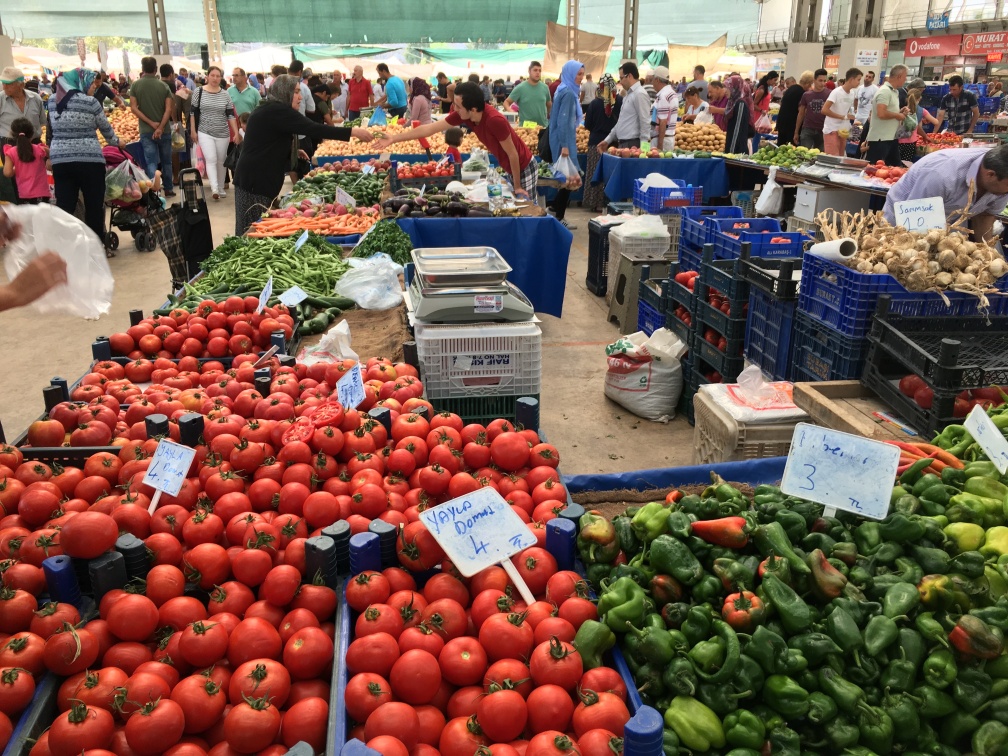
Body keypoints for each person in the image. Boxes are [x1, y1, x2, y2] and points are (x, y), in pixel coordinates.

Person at [234, 75, 372, 235]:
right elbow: (313, 128)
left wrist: (290, 150)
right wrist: (352, 132)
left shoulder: (269, 108)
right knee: (251, 231)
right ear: (284, 92)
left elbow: (267, 141)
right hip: (254, 183)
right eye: (297, 92)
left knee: (256, 227)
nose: (301, 97)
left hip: (255, 178)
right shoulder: (277, 111)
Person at [375, 82, 536, 198]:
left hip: (523, 166)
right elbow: (429, 128)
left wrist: (517, 186)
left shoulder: (495, 120)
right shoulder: (465, 115)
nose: (455, 109)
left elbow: (513, 154)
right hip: (510, 167)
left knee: (527, 207)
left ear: (472, 109)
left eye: (458, 106)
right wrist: (394, 138)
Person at [48, 68, 118, 249]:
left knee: (65, 204)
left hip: (61, 161)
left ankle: (65, 245)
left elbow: (51, 129)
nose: (94, 87)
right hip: (89, 161)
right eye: (92, 83)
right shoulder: (91, 103)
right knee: (93, 204)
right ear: (82, 82)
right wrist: (118, 143)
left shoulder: (52, 101)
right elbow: (107, 131)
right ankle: (95, 245)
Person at [884, 143, 1008, 241]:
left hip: (951, 225)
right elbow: (916, 226)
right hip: (907, 219)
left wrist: (987, 253)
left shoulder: (1001, 185)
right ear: (990, 175)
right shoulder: (942, 175)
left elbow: (985, 215)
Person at [130, 56, 176, 198]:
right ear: (156, 69)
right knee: (166, 161)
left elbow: (133, 108)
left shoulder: (135, 85)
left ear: (142, 69)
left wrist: (151, 124)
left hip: (146, 131)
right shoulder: (164, 86)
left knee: (151, 161)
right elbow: (169, 109)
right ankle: (168, 188)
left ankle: (154, 190)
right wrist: (161, 127)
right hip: (165, 131)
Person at [191, 65, 237, 200]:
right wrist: (193, 130)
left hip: (223, 133)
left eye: (218, 76)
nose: (215, 78)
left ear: (221, 78)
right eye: (213, 75)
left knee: (221, 160)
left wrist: (236, 132)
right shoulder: (198, 92)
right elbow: (193, 113)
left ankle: (221, 187)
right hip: (204, 131)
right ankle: (214, 188)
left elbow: (230, 115)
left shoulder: (225, 94)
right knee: (211, 159)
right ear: (207, 77)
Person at [548, 60, 585, 230]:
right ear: (570, 73)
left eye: (583, 74)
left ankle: (555, 209)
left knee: (566, 177)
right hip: (564, 139)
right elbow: (564, 121)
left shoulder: (562, 88)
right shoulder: (569, 93)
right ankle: (559, 215)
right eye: (578, 74)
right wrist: (565, 145)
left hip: (560, 137)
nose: (581, 77)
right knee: (570, 178)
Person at [583, 73, 621, 212]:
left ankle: (595, 203)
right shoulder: (619, 100)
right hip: (614, 143)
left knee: (595, 172)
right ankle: (610, 203)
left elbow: (587, 124)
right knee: (611, 174)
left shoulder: (594, 103)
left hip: (596, 143)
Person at [597, 62, 650, 152]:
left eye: (621, 78)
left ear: (629, 76)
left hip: (634, 145)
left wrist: (644, 150)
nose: (620, 82)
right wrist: (607, 140)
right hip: (624, 144)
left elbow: (645, 122)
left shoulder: (639, 94)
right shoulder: (628, 95)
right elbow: (621, 121)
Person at [865, 64, 910, 167]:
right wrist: (898, 116)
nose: (905, 79)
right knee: (873, 168)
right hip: (880, 139)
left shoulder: (894, 92)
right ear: (899, 76)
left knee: (896, 168)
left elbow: (888, 111)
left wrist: (900, 112)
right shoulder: (884, 91)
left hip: (890, 137)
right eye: (905, 76)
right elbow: (881, 113)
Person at [3, 118, 49, 204]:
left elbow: (7, 173)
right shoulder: (40, 149)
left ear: (12, 135)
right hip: (42, 193)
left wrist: (17, 168)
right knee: (41, 217)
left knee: (28, 217)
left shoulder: (10, 152)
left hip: (24, 194)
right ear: (31, 134)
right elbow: (51, 154)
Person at [822, 67, 862, 156]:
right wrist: (843, 117)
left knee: (841, 157)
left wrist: (851, 118)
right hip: (831, 129)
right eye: (858, 80)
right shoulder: (836, 92)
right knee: (833, 158)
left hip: (842, 130)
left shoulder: (852, 93)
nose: (859, 82)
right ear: (851, 79)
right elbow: (824, 110)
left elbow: (844, 111)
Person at [0, 68, 45, 142]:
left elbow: (42, 122)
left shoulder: (35, 98)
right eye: (3, 83)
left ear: (21, 85)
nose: (4, 87)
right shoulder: (1, 99)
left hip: (33, 144)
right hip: (9, 145)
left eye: (9, 84)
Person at [505, 62, 551, 127]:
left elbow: (549, 105)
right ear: (529, 71)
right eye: (535, 70)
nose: (538, 72)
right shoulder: (520, 88)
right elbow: (506, 102)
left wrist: (545, 116)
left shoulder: (545, 87)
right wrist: (510, 110)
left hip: (542, 127)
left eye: (539, 70)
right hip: (526, 129)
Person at [794, 68, 830, 150]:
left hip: (823, 129)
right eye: (820, 80)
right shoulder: (806, 95)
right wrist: (796, 132)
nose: (822, 83)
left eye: (824, 81)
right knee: (804, 154)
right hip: (808, 128)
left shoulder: (829, 94)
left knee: (820, 156)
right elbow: (801, 114)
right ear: (814, 80)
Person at [775, 71, 810, 147]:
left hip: (782, 123)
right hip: (791, 125)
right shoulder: (802, 93)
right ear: (807, 84)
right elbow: (801, 111)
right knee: (791, 149)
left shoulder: (790, 89)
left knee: (781, 148)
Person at [724, 74, 753, 154]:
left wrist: (731, 152)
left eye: (728, 87)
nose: (725, 91)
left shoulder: (740, 104)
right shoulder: (732, 103)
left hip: (737, 151)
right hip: (731, 147)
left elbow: (737, 130)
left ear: (735, 88)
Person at [651, 66, 678, 152]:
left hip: (662, 140)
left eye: (652, 79)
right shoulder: (671, 93)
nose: (652, 83)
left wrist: (659, 147)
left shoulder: (663, 96)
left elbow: (663, 121)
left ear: (657, 80)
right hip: (667, 139)